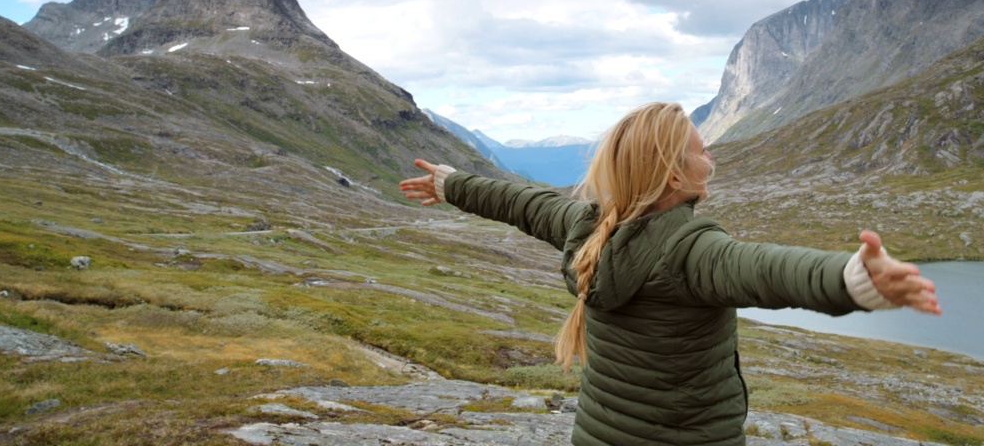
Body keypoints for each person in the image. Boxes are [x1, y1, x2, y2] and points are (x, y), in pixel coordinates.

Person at [400, 101, 940, 446]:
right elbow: (764, 270)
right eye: (703, 151)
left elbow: (523, 202)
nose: (712, 159)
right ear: (675, 172)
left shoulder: (589, 225)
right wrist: (854, 280)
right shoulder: (688, 249)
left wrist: (453, 185)